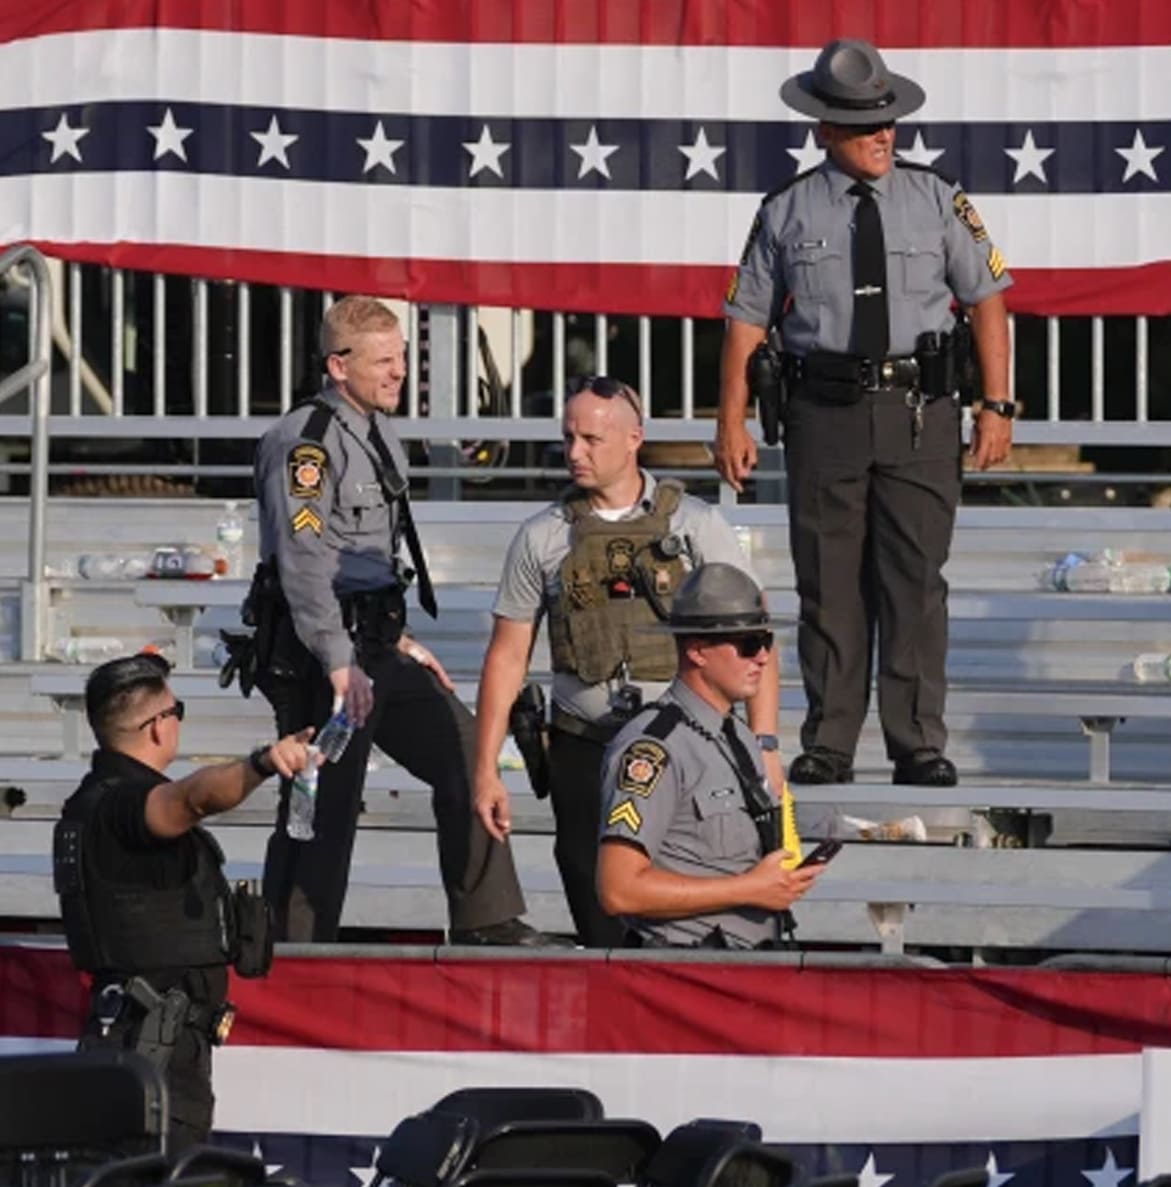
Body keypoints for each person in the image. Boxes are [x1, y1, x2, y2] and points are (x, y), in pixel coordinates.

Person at [715, 36, 1017, 789]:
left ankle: (918, 742)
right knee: (830, 583)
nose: (882, 136)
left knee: (914, 581)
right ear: (823, 130)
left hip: (922, 410)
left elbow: (987, 300)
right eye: (861, 124)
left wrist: (998, 403)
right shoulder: (785, 210)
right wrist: (731, 418)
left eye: (888, 121)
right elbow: (746, 318)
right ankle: (831, 743)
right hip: (825, 413)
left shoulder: (937, 198)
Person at [247, 295, 551, 945]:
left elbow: (370, 561)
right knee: (321, 803)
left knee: (467, 750)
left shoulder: (378, 428)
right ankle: (293, 951)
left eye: (403, 358)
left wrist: (398, 638)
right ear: (337, 365)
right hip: (321, 654)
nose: (398, 372)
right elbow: (304, 568)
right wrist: (337, 662)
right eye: (382, 360)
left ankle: (487, 919)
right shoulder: (308, 444)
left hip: (377, 643)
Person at [473, 377, 784, 949]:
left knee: (687, 918)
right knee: (599, 919)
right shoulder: (542, 537)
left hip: (685, 750)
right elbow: (508, 654)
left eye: (591, 438)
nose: (574, 453)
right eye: (569, 437)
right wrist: (486, 766)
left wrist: (765, 746)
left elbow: (756, 636)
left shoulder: (695, 525)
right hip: (583, 743)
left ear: (634, 438)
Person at [56, 653, 310, 1150]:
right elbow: (192, 799)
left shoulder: (98, 801)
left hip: (150, 1042)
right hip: (154, 1048)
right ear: (157, 727)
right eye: (178, 711)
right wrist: (262, 763)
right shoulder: (120, 804)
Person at [596, 564, 826, 948]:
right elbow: (619, 890)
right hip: (684, 974)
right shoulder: (653, 750)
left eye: (767, 642)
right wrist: (747, 889)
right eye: (749, 644)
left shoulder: (737, 736)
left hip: (746, 966)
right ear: (699, 651)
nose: (764, 658)